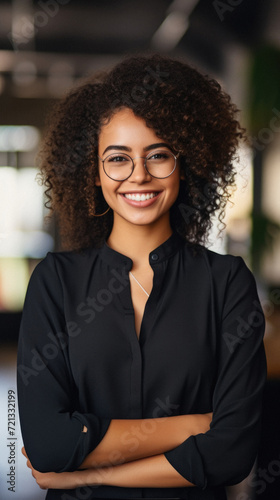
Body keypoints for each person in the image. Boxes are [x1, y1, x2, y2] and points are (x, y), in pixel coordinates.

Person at [17, 54, 267, 500]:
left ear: (185, 162)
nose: (139, 175)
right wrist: (194, 425)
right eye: (117, 158)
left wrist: (87, 474)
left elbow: (232, 454)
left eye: (158, 155)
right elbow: (47, 445)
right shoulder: (55, 282)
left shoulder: (227, 282)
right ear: (93, 173)